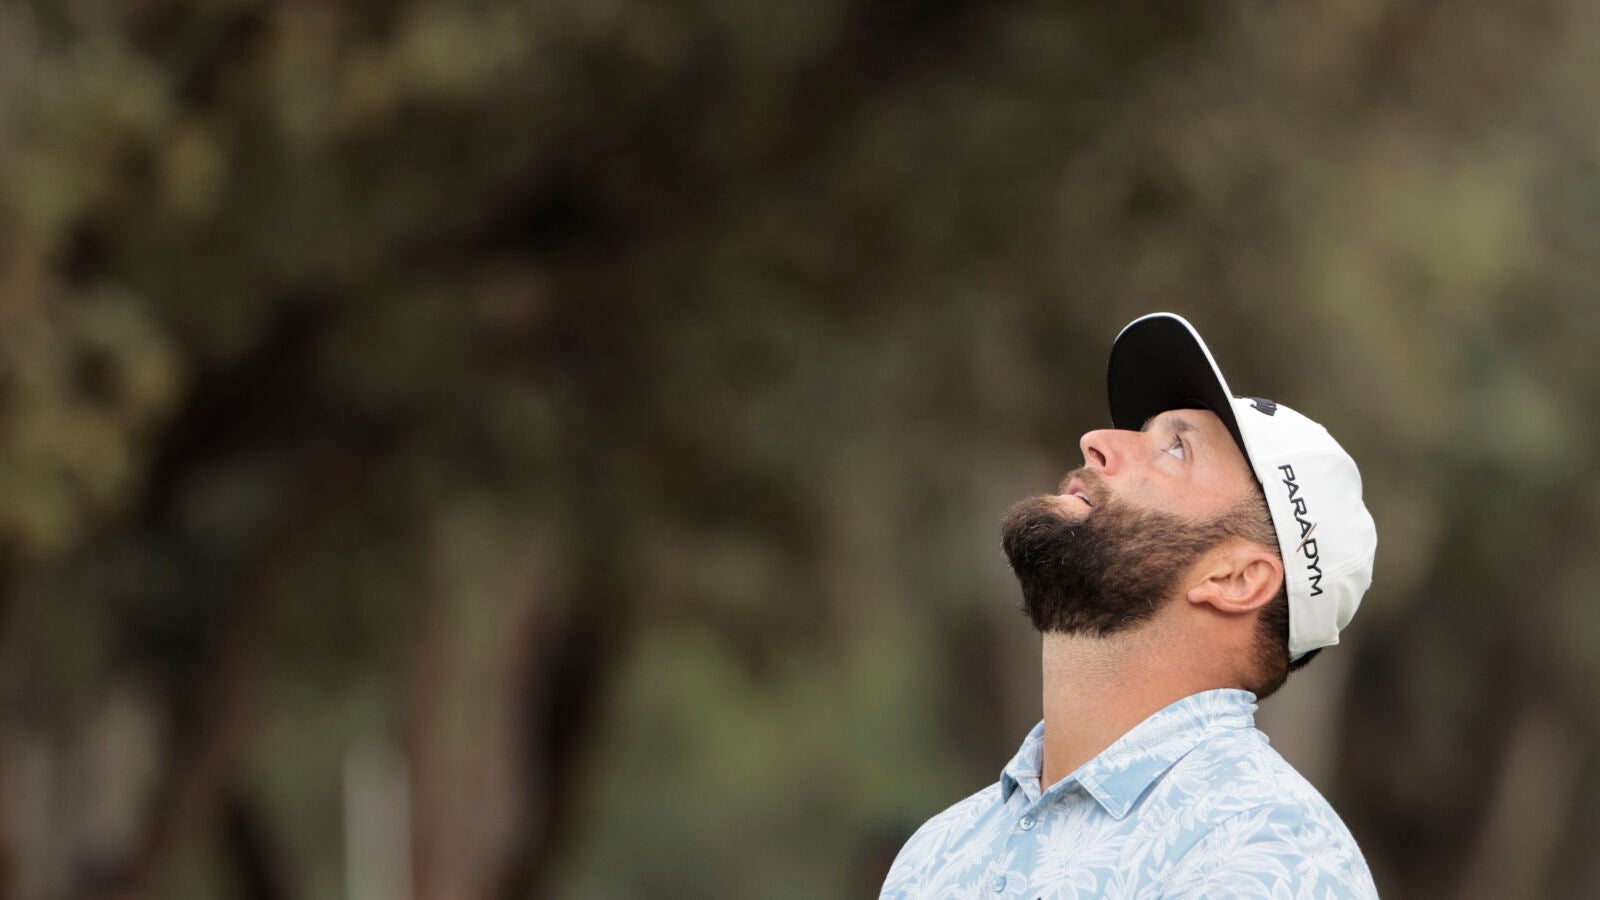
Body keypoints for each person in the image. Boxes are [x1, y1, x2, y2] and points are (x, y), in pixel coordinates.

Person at [880, 313, 1380, 899]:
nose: (1096, 441)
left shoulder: (1271, 854)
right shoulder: (937, 855)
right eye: (1143, 432)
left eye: (1176, 449)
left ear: (1236, 579)